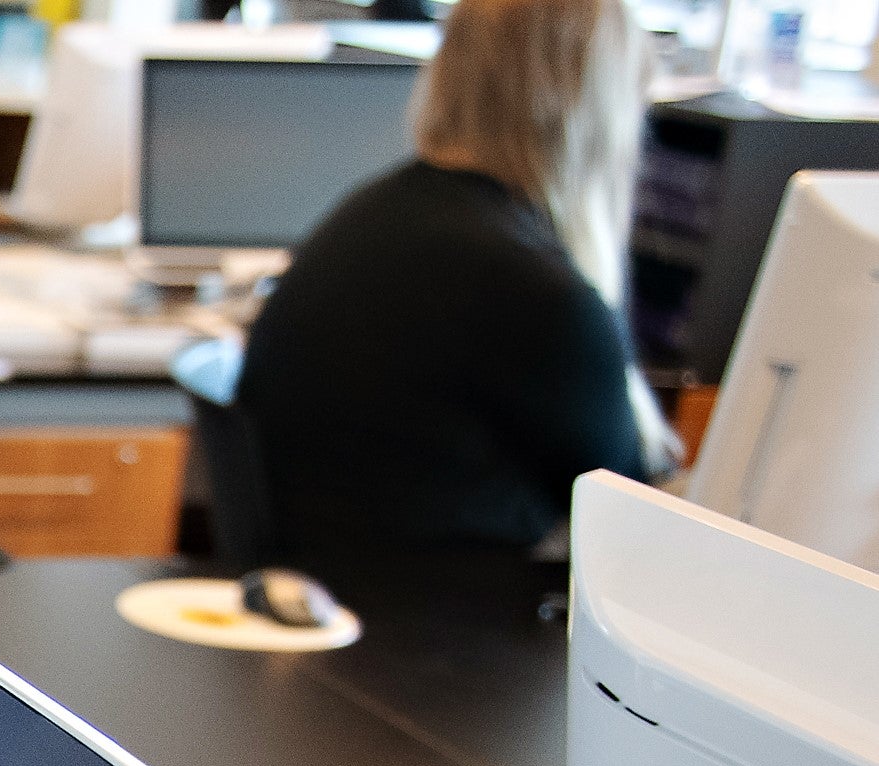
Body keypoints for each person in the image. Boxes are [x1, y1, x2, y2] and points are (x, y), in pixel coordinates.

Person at [233, 0, 671, 567]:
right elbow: (630, 532)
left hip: (347, 607)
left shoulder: (374, 215)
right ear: (600, 109)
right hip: (446, 628)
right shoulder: (536, 295)